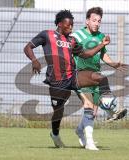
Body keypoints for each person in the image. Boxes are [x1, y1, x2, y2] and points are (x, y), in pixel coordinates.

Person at [23, 9, 112, 149]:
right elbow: (28, 47)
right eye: (68, 25)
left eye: (72, 25)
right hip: (57, 82)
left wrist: (102, 45)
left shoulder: (72, 40)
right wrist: (34, 60)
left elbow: (86, 54)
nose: (71, 28)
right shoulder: (47, 35)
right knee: (59, 112)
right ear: (59, 24)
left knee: (100, 79)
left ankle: (108, 107)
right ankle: (55, 134)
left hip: (73, 77)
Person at [72, 7, 129, 150]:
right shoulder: (77, 36)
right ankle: (90, 142)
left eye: (99, 21)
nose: (96, 23)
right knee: (89, 107)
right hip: (81, 75)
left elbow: (103, 55)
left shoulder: (100, 36)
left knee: (94, 112)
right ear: (87, 21)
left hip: (95, 77)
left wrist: (113, 64)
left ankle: (80, 130)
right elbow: (81, 52)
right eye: (94, 20)